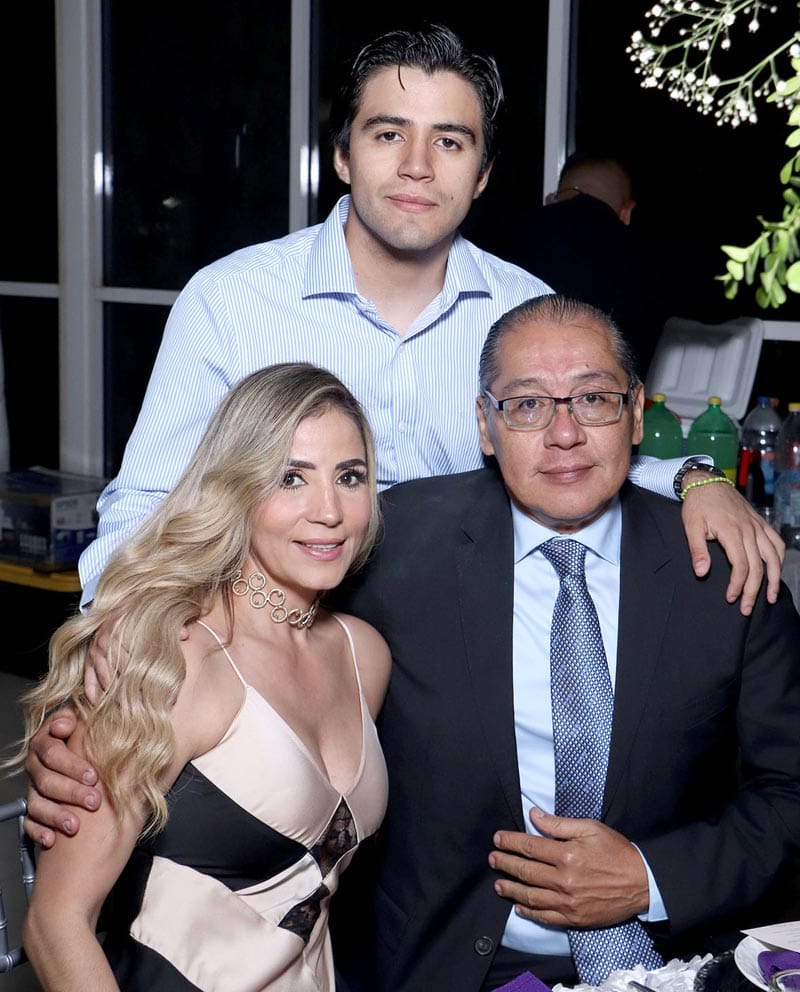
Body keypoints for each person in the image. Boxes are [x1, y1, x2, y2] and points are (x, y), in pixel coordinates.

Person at [75, 24, 782, 622]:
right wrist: (113, 650)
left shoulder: (523, 310)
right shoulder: (232, 300)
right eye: (389, 134)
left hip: (463, 660)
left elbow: (579, 453)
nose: (416, 167)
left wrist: (699, 478)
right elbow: (147, 505)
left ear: (482, 174)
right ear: (343, 156)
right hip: (270, 651)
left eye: (449, 142)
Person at [324, 295, 800, 991]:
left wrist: (649, 879)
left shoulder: (728, 570)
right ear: (486, 426)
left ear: (636, 413)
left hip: (672, 964)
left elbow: (790, 792)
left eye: (593, 399)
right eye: (527, 405)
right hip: (447, 965)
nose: (565, 433)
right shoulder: (393, 549)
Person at [8, 363, 391, 992]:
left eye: (349, 477)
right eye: (290, 478)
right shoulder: (173, 658)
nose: (329, 511)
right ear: (237, 488)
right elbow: (56, 924)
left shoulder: (362, 656)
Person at [485, 151, 668, 379]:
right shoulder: (650, 257)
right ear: (627, 212)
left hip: (513, 394)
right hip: (606, 397)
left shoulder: (500, 235)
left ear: (551, 198)